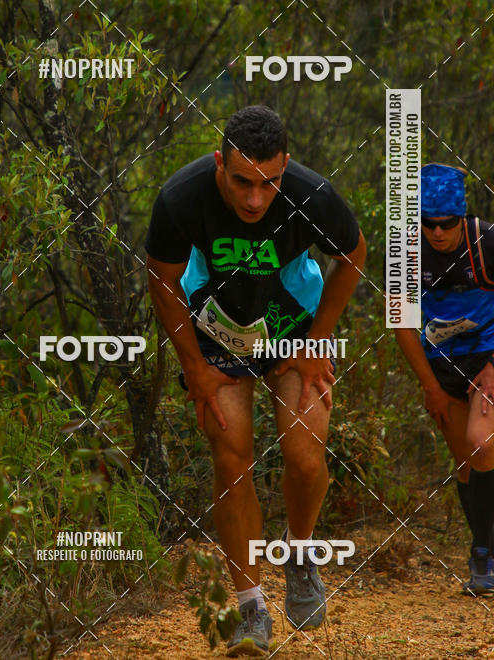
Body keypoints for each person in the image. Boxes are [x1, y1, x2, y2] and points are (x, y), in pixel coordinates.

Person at [145, 106, 366, 655]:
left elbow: (354, 255)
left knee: (307, 455)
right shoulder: (182, 197)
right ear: (220, 162)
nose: (253, 199)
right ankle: (249, 607)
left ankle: (299, 553)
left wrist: (318, 340)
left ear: (285, 167)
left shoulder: (312, 195)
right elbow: (163, 276)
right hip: (218, 327)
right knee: (230, 454)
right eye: (241, 181)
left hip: (293, 324)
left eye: (268, 183)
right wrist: (193, 366)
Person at [393, 163, 494, 595]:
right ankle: (481, 551)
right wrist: (430, 388)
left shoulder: (487, 242)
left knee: (482, 441)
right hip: (441, 367)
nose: (437, 232)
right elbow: (401, 322)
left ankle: (485, 555)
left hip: (487, 359)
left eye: (447, 224)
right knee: (469, 465)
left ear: (461, 217)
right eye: (427, 223)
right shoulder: (406, 252)